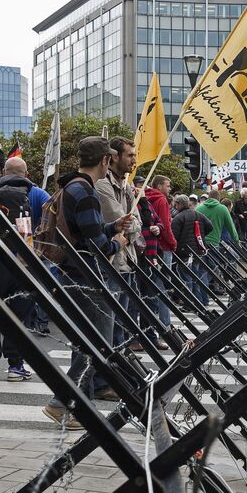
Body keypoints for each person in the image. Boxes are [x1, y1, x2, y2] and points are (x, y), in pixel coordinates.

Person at [43, 136, 134, 425]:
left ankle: (73, 405)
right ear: (106, 161)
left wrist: (110, 227)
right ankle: (63, 403)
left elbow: (87, 232)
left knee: (87, 342)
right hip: (85, 275)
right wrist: (118, 241)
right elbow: (96, 245)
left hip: (72, 272)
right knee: (98, 343)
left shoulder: (73, 186)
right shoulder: (85, 192)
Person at [0, 156, 50, 382]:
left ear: (3, 171)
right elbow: (49, 226)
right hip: (24, 264)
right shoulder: (37, 194)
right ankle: (15, 366)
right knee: (20, 316)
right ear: (25, 173)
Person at [94, 137, 142, 349]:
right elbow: (119, 221)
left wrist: (130, 230)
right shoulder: (103, 186)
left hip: (127, 262)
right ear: (114, 157)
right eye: (130, 155)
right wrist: (129, 229)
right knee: (109, 322)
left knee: (122, 321)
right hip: (111, 262)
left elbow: (137, 224)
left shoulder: (127, 186)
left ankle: (121, 363)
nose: (134, 160)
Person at [139, 174, 176, 344]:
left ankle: (152, 331)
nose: (170, 189)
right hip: (157, 249)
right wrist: (172, 242)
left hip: (149, 249)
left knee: (150, 291)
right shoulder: (160, 200)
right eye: (168, 186)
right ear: (160, 186)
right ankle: (164, 326)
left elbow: (159, 222)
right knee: (159, 290)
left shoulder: (147, 200)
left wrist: (158, 227)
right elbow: (165, 224)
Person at [171, 194, 213, 305]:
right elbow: (210, 226)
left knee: (187, 278)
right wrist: (201, 236)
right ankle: (202, 301)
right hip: (199, 250)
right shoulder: (199, 214)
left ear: (179, 204)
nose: (175, 206)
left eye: (176, 204)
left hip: (184, 252)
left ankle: (190, 303)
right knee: (197, 276)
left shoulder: (178, 218)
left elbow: (173, 236)